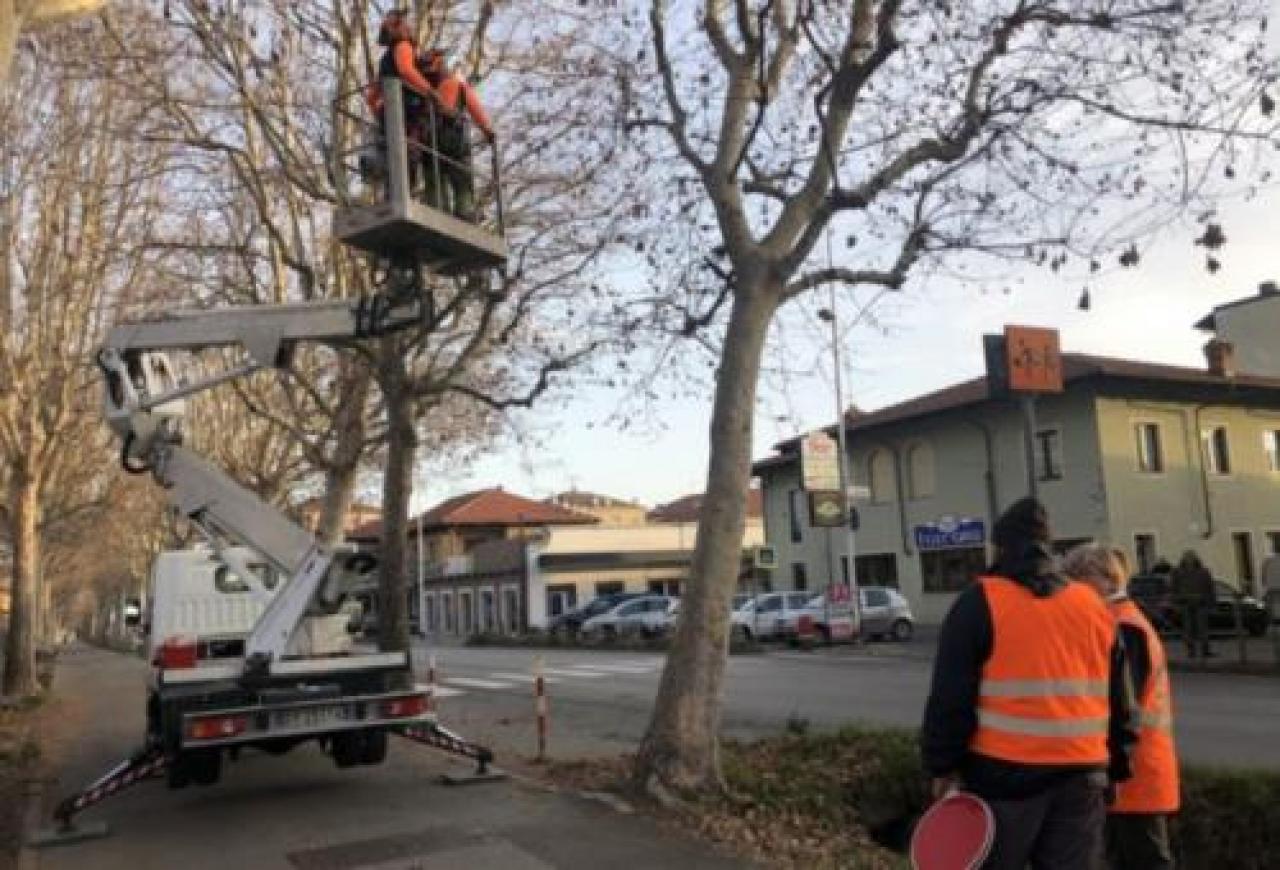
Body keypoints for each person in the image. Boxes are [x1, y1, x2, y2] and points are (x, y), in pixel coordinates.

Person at [921, 497, 1136, 870]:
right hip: (1082, 776)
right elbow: (1122, 703)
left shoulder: (979, 603)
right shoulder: (1091, 606)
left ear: (1000, 548)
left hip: (1003, 777)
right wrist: (1116, 768)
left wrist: (942, 766)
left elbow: (950, 699)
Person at [1064, 544, 1179, 870]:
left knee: (1146, 860)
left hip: (1133, 772)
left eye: (1077, 579)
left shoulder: (1124, 627)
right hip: (1131, 769)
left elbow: (1120, 703)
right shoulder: (1120, 621)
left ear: (1104, 580)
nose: (1070, 587)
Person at [366, 9, 440, 194]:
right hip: (408, 109)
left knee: (393, 155)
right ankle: (405, 191)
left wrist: (382, 115)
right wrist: (430, 92)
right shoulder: (403, 46)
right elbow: (407, 70)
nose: (409, 27)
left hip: (390, 113)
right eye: (405, 23)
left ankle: (393, 194)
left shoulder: (385, 60)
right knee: (410, 154)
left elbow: (371, 97)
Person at [418, 48, 495, 221]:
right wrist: (488, 131)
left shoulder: (424, 90)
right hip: (454, 139)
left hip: (430, 140)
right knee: (461, 179)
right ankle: (464, 211)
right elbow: (476, 109)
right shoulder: (457, 85)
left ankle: (437, 210)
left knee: (435, 179)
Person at [1170, 550, 1215, 659]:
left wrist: (1211, 601)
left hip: (1201, 602)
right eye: (1187, 558)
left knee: (1202, 627)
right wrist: (1176, 601)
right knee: (1188, 629)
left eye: (1191, 558)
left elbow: (1209, 587)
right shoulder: (1178, 572)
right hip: (1185, 603)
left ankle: (1205, 650)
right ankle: (1191, 651)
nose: (1189, 560)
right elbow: (1174, 588)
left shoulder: (1203, 572)